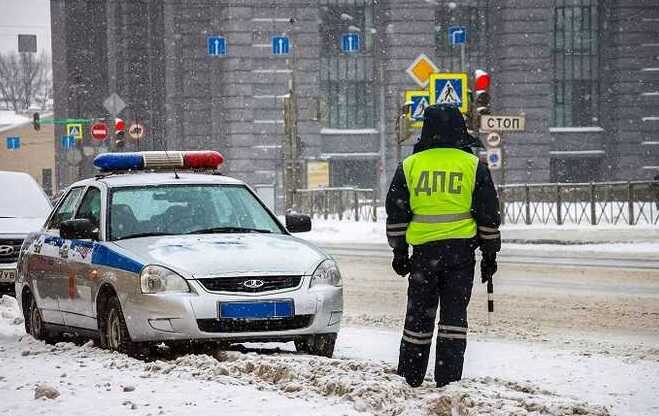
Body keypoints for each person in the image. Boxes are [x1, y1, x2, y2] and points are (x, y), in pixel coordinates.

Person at [385, 104, 501, 388]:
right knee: (453, 319)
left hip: (423, 256)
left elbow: (397, 213)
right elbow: (487, 215)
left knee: (418, 319)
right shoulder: (473, 166)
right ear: (460, 130)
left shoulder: (411, 166)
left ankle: (410, 376)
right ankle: (448, 379)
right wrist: (489, 254)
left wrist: (399, 252)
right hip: (460, 255)